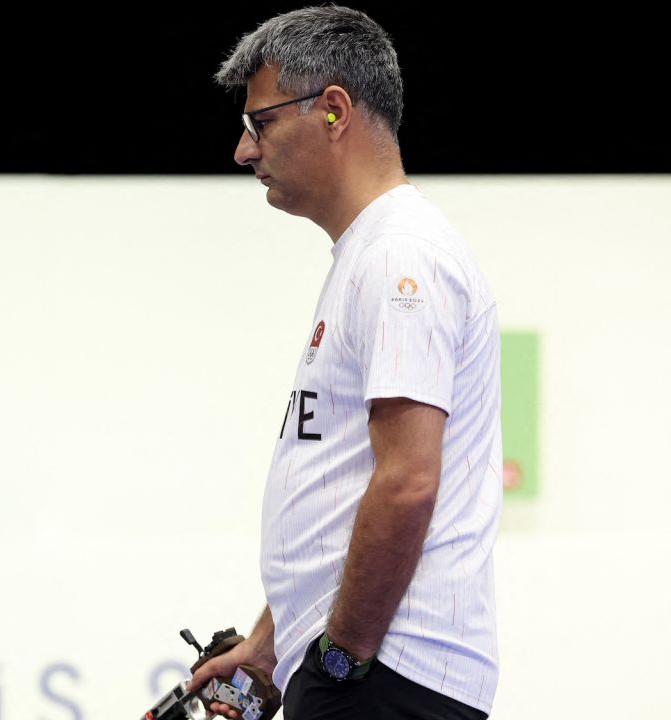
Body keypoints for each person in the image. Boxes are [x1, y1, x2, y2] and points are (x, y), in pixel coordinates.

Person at [185, 7, 501, 719]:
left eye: (259, 123)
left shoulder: (399, 257)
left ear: (333, 111)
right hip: (372, 674)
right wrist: (272, 645)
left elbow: (408, 482)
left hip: (384, 673)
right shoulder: (372, 254)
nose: (243, 151)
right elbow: (346, 488)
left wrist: (338, 656)